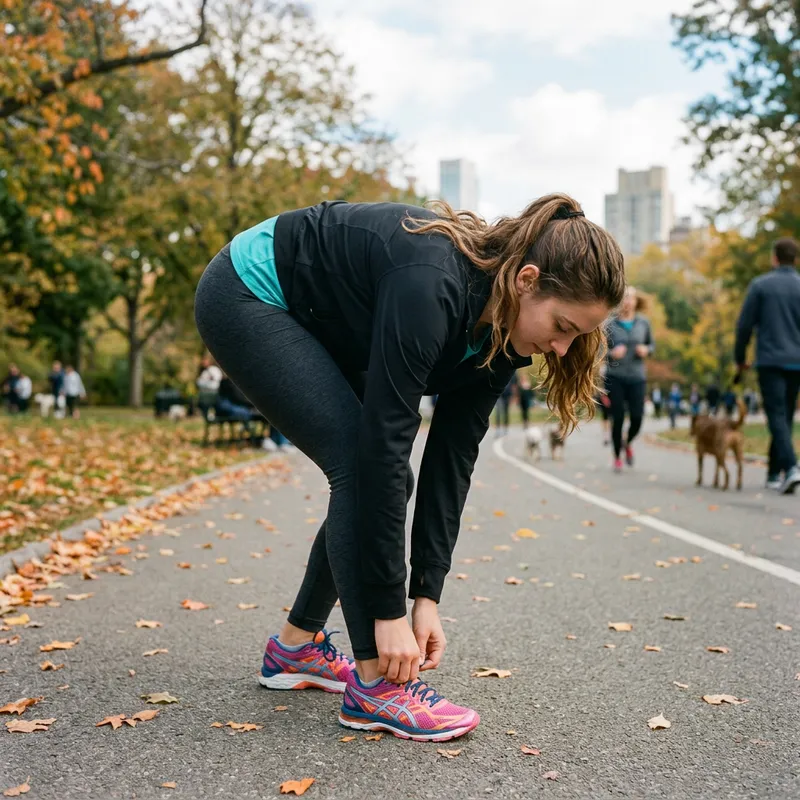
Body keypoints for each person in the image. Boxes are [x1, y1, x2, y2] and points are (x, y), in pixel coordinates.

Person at [194, 194, 625, 742]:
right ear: (526, 279)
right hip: (249, 291)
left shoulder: (502, 338)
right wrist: (386, 617)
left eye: (576, 337)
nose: (563, 349)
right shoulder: (431, 284)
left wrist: (427, 595)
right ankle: (376, 684)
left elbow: (452, 459)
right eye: (563, 325)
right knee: (362, 464)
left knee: (392, 476)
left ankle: (295, 649)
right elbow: (383, 447)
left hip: (320, 316)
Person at [735, 236, 800, 494]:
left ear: (774, 257)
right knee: (784, 415)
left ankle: (792, 467)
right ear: (795, 259)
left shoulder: (761, 286)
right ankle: (774, 472)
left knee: (776, 415)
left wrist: (740, 359)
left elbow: (744, 326)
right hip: (797, 362)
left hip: (771, 360)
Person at [606, 286, 654, 472]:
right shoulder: (609, 325)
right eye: (624, 298)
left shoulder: (644, 324)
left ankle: (627, 442)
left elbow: (652, 346)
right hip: (615, 377)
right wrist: (612, 354)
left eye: (631, 298)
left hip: (637, 377)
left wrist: (646, 350)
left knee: (637, 417)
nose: (627, 302)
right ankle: (617, 456)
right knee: (617, 419)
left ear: (635, 302)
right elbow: (599, 352)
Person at [493, 371, 517, 437]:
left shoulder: (513, 371)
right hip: (499, 394)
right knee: (498, 412)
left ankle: (506, 429)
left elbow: (514, 384)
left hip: (507, 394)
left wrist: (513, 395)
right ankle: (498, 429)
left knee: (506, 412)